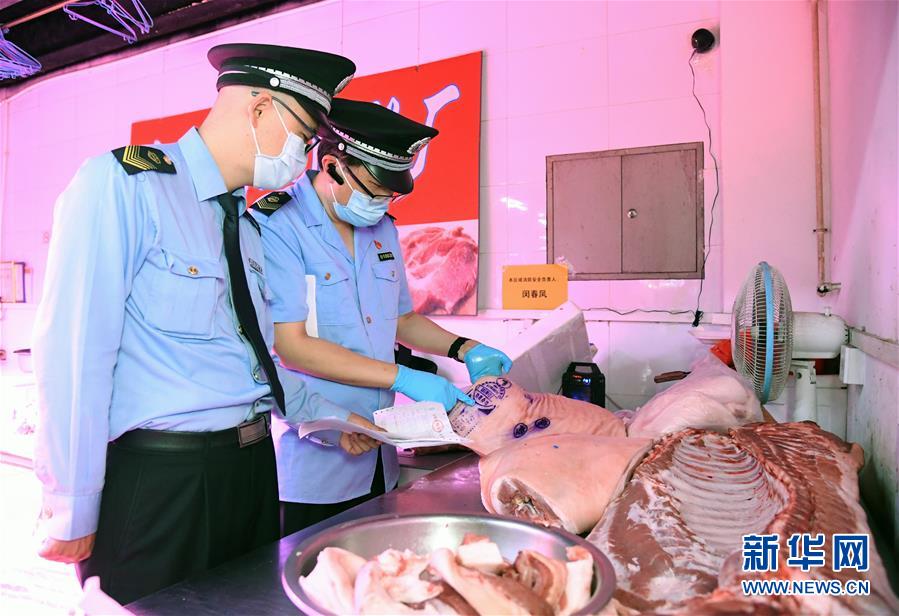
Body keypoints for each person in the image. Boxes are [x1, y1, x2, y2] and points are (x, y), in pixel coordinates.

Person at [32, 43, 361, 604]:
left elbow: (253, 362)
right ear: (260, 109)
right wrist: (71, 504)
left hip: (251, 474)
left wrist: (332, 419)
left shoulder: (246, 228)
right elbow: (74, 354)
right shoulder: (127, 184)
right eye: (304, 137)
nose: (304, 158)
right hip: (164, 482)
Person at [251, 99, 513, 536]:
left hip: (379, 457)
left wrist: (464, 348)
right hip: (313, 466)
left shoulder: (382, 228)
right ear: (332, 167)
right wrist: (403, 378)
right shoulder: (277, 226)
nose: (381, 202)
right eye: (374, 189)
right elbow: (291, 346)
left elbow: (402, 319)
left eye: (389, 195)